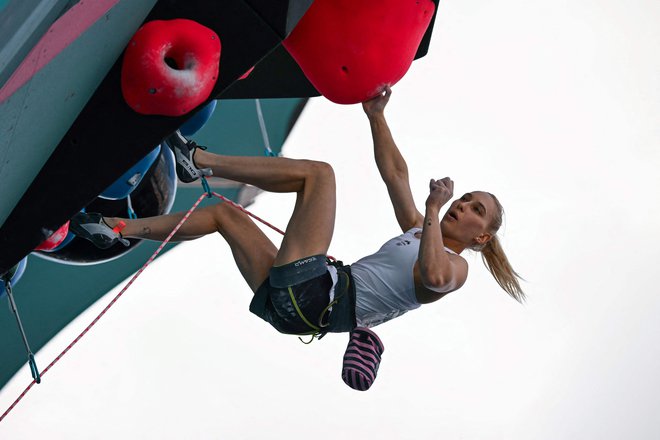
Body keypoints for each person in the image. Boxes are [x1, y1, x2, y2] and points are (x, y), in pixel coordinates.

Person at [71, 87, 524, 338]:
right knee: (222, 216)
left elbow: (434, 278)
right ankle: (115, 227)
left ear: (481, 237)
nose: (462, 205)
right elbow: (395, 175)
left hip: (315, 296)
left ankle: (199, 161)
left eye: (474, 209)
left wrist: (432, 207)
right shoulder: (419, 231)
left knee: (320, 175)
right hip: (293, 312)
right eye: (465, 199)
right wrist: (375, 116)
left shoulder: (457, 266)